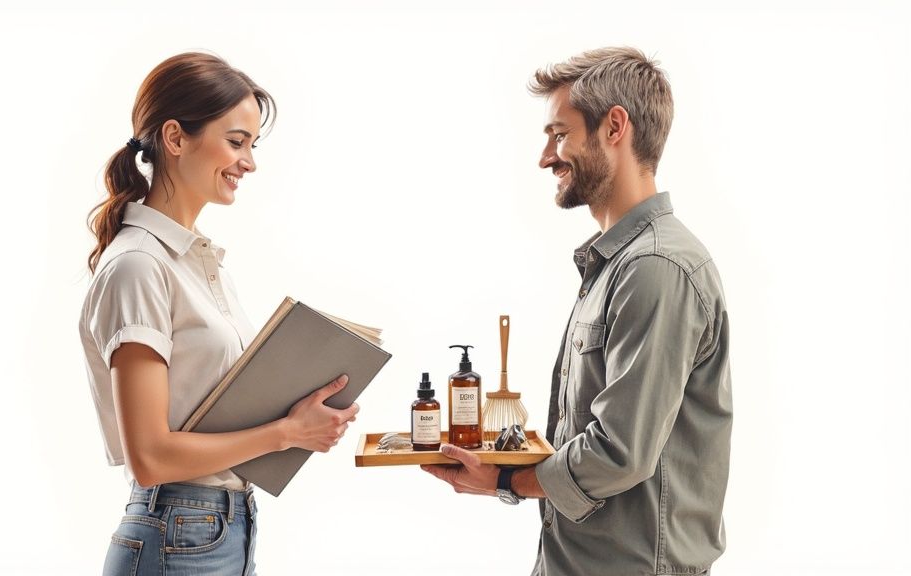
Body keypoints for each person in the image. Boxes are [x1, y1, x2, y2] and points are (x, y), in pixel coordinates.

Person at [422, 47, 732, 576]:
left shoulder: (655, 268)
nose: (546, 157)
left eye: (559, 134)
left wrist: (505, 481)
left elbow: (619, 451)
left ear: (615, 127)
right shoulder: (615, 264)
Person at [79, 52, 359, 576]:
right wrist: (287, 433)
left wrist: (302, 417)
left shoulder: (198, 264)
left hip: (222, 528)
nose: (248, 162)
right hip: (179, 534)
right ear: (175, 137)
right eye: (236, 142)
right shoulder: (139, 265)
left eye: (252, 145)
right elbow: (150, 458)